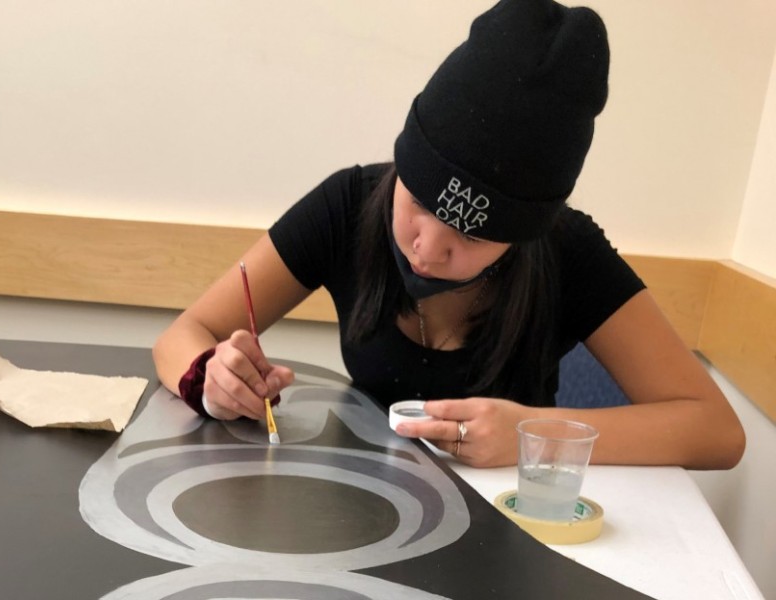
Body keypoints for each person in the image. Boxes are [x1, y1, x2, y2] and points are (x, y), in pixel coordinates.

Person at [153, 0, 745, 470]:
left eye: (475, 235)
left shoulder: (568, 250)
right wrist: (211, 377)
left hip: (512, 537)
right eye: (417, 201)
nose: (429, 247)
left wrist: (532, 435)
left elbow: (717, 432)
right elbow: (184, 333)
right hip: (363, 509)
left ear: (523, 235)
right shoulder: (348, 203)